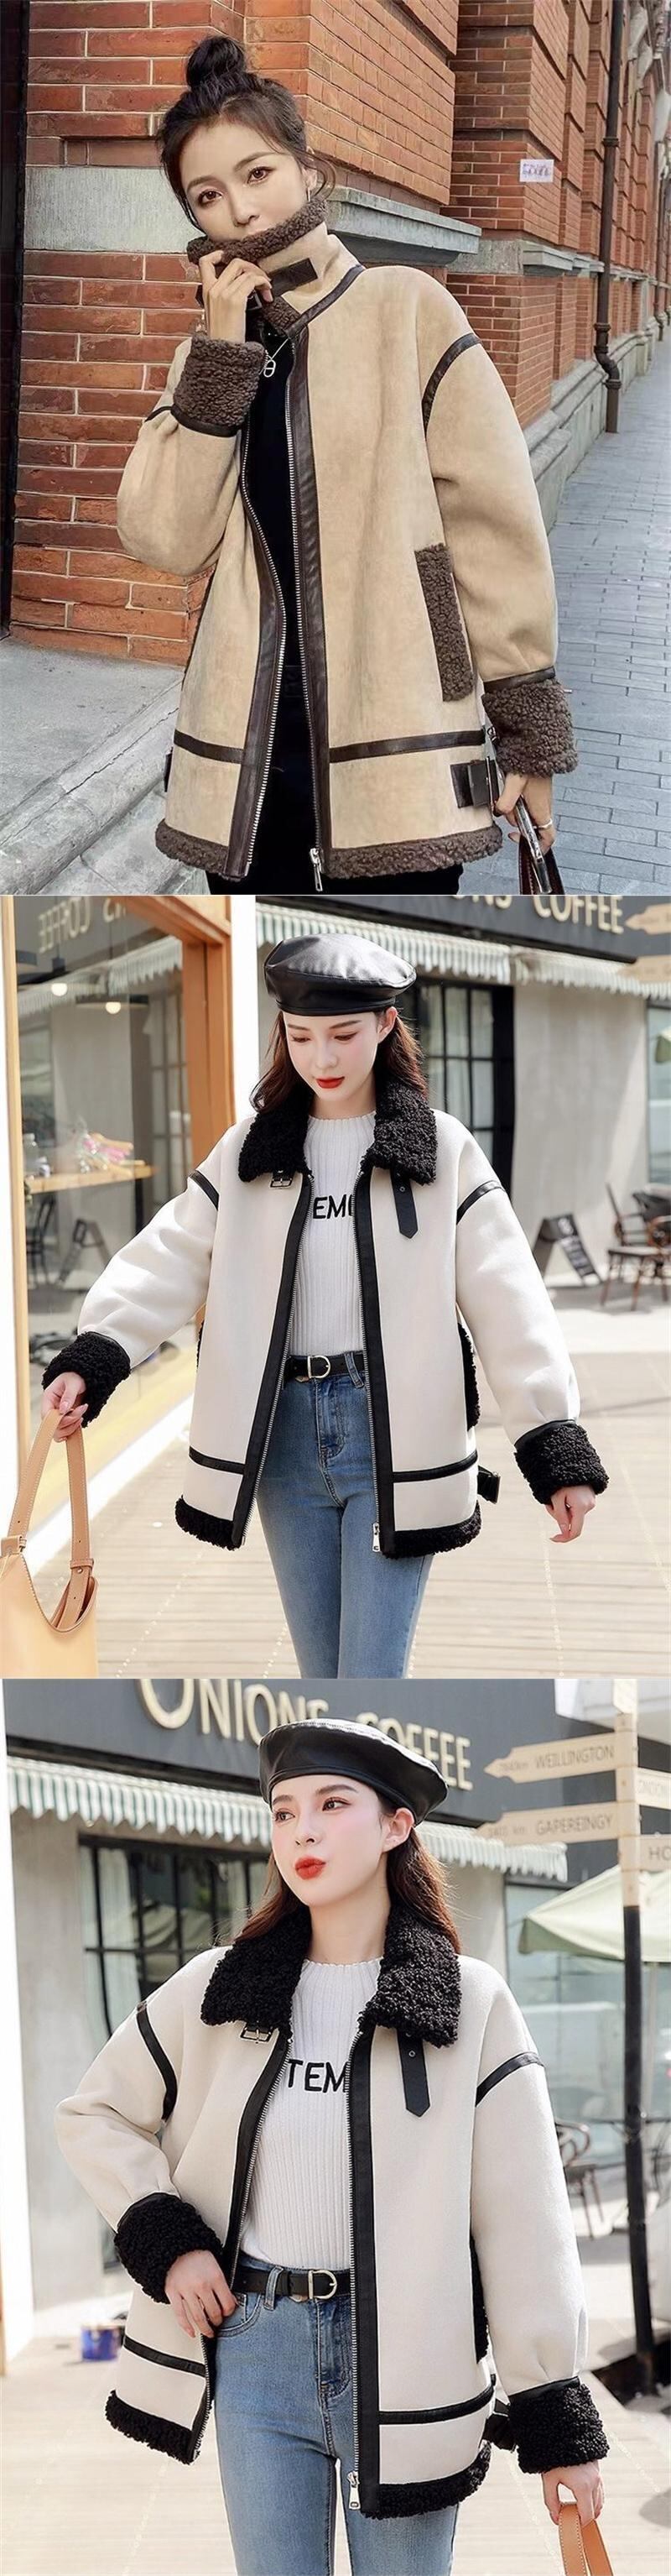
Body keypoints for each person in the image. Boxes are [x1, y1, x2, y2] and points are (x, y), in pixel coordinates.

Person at [55, 1717, 609, 2576]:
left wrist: (555, 2419)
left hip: (410, 2355)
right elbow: (94, 2113)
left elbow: (522, 2220)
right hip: (256, 2342)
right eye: (283, 1812)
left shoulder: (470, 2004)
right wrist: (170, 2241)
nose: (302, 1831)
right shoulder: (217, 1989)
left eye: (332, 1804)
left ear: (396, 1825)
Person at [41, 933, 607, 1679]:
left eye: (343, 1034)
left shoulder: (441, 1150)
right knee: (322, 1672)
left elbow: (509, 1298)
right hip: (282, 1439)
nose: (323, 1057)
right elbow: (171, 1255)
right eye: (302, 1036)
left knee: (370, 1674)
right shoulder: (251, 1151)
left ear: (385, 1023)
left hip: (393, 1431)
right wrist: (95, 1354)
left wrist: (554, 1444)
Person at [114, 34, 576, 895]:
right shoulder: (207, 359)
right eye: (208, 195)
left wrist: (528, 734)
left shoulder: (408, 311)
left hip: (400, 744)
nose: (240, 210)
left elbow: (495, 528)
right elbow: (165, 539)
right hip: (250, 758)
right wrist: (221, 357)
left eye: (257, 173)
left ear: (305, 167)